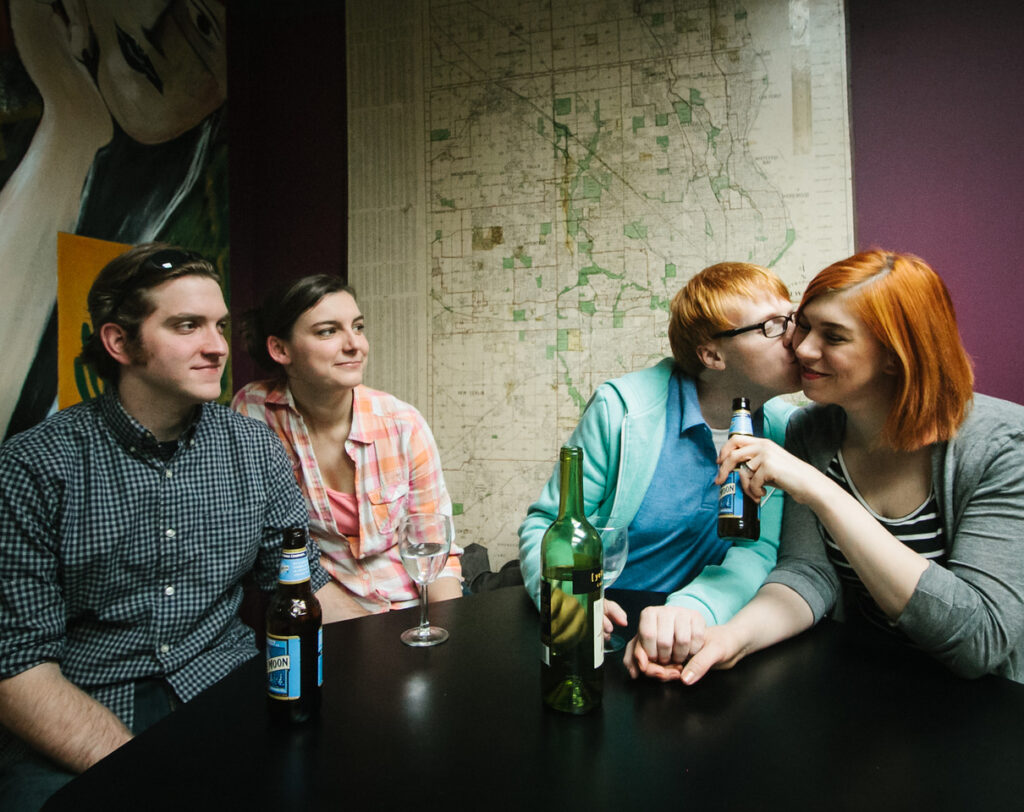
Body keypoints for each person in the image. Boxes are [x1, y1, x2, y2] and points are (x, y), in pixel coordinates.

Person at [0, 243, 355, 809]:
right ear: (119, 342)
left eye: (218, 325)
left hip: (226, 685)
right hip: (87, 706)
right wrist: (145, 770)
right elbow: (16, 666)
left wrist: (403, 664)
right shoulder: (35, 465)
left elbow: (305, 585)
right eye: (187, 326)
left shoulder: (252, 447)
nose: (216, 347)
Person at [641, 249, 1024, 685]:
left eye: (834, 337)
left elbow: (981, 642)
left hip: (989, 708)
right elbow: (808, 574)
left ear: (895, 356)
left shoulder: (1005, 446)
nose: (801, 348)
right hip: (867, 685)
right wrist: (731, 638)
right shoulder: (813, 429)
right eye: (803, 324)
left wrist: (822, 492)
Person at [518, 262, 801, 667]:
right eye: (772, 325)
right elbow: (548, 522)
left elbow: (755, 553)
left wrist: (691, 611)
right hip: (600, 629)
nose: (795, 337)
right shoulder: (621, 411)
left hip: (692, 633)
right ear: (712, 354)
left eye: (792, 318)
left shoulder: (784, 431)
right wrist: (568, 599)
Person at [232, 275, 462, 616]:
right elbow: (272, 551)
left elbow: (436, 552)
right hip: (328, 614)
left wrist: (446, 637)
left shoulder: (402, 423)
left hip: (413, 608)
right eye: (328, 331)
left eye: (358, 327)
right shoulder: (254, 413)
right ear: (280, 349)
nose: (355, 344)